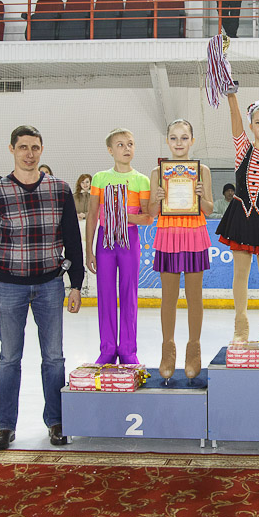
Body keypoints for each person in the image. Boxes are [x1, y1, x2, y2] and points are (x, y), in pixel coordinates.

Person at [0, 125, 84, 451]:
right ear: (12, 149)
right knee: (9, 359)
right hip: (7, 288)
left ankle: (57, 422)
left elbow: (73, 240)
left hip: (50, 285)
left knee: (54, 358)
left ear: (41, 150)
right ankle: (5, 427)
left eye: (35, 147)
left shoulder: (60, 190)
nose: (29, 153)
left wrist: (76, 285)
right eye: (23, 147)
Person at [215, 92, 259, 342]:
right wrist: (231, 96)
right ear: (251, 126)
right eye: (258, 122)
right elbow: (235, 121)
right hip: (241, 217)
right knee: (240, 274)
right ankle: (241, 325)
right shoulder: (242, 149)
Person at [148, 119, 214, 381]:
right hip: (167, 235)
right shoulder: (157, 172)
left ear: (192, 141)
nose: (179, 143)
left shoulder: (202, 170)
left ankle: (194, 348)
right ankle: (168, 349)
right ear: (167, 141)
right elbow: (151, 211)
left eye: (184, 138)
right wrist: (157, 199)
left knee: (194, 297)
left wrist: (200, 196)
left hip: (194, 234)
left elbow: (209, 209)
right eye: (174, 138)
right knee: (169, 297)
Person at [85, 129, 152, 365]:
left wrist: (123, 216)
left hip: (129, 240)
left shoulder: (142, 180)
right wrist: (89, 250)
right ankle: (107, 348)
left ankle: (127, 349)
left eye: (130, 144)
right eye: (120, 144)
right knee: (105, 293)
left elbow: (148, 218)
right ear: (110, 150)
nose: (126, 148)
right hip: (105, 240)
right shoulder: (100, 178)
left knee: (128, 293)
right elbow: (92, 215)